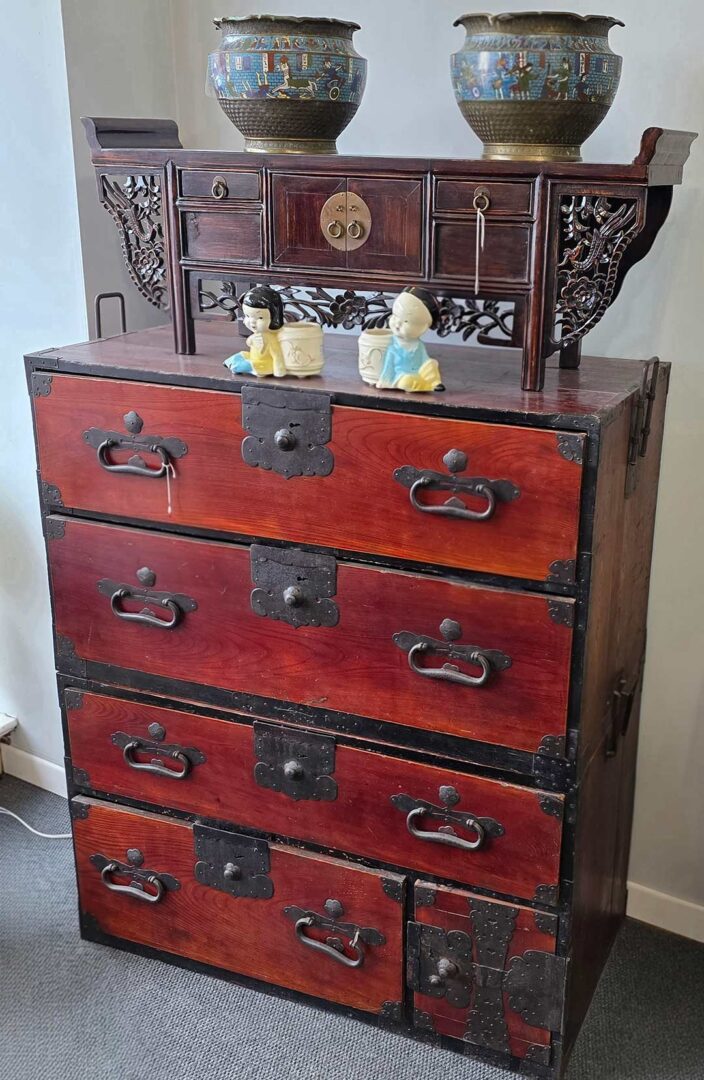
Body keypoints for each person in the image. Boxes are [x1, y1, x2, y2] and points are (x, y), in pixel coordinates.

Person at [376, 288, 445, 393]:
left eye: (406, 321)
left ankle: (433, 383)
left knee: (431, 363)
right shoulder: (393, 347)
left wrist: (428, 369)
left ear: (422, 328)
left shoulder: (418, 346)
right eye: (395, 316)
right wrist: (384, 381)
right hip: (401, 375)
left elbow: (425, 361)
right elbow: (388, 367)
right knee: (406, 381)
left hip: (418, 374)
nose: (397, 324)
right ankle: (422, 384)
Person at [223, 286, 286, 377]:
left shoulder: (270, 338)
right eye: (247, 316)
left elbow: (277, 356)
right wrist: (251, 340)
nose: (252, 321)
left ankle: (236, 367)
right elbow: (249, 343)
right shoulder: (258, 334)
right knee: (241, 355)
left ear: (274, 318)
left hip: (264, 363)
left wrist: (279, 371)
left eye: (260, 317)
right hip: (255, 357)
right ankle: (230, 363)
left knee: (242, 365)